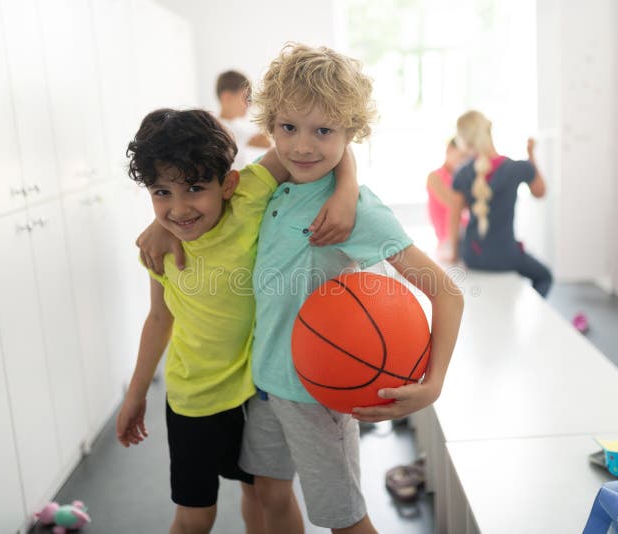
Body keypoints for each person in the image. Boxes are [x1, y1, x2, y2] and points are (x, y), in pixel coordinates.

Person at [139, 43, 464, 534]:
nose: (303, 146)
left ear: (350, 133)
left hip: (321, 394)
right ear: (270, 126)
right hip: (266, 385)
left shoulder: (358, 211)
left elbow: (447, 290)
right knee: (268, 493)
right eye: (288, 128)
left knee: (343, 519)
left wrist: (434, 382)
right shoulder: (268, 187)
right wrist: (162, 224)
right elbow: (186, 197)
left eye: (324, 131)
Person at [117, 108, 358, 534]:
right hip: (194, 401)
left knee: (264, 496)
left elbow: (323, 149)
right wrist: (135, 395)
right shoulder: (159, 249)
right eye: (161, 192)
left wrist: (346, 193)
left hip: (255, 392)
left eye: (194, 188)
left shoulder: (248, 197)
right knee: (195, 517)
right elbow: (158, 318)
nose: (179, 208)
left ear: (227, 184)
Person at [447, 110, 553, 296]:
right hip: (506, 257)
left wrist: (455, 255)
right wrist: (531, 155)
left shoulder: (462, 173)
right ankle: (538, 312)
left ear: (466, 141)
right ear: (489, 131)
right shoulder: (517, 168)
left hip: (472, 256)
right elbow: (540, 192)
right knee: (545, 276)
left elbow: (454, 218)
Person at [216, 70, 271, 168]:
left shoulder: (236, 128)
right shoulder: (222, 129)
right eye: (246, 98)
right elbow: (266, 142)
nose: (249, 104)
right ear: (227, 97)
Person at [426, 137, 470, 248]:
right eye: (462, 156)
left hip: (463, 232)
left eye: (467, 158)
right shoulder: (434, 177)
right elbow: (456, 205)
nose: (464, 161)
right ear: (450, 149)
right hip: (449, 237)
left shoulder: (462, 177)